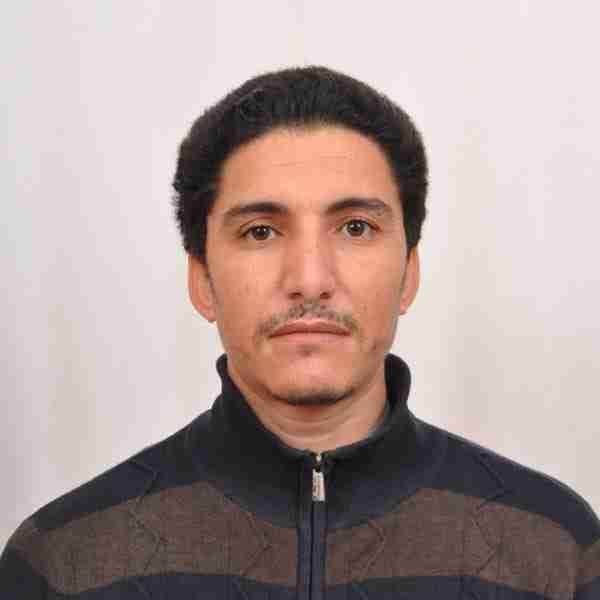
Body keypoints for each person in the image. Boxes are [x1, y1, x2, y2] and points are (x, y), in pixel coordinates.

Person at [1, 66, 599, 600]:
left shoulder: (554, 551)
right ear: (202, 280)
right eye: (260, 231)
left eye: (356, 227)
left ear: (409, 274)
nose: (310, 279)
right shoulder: (65, 563)